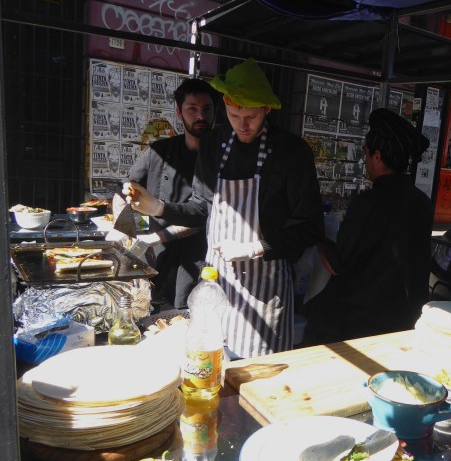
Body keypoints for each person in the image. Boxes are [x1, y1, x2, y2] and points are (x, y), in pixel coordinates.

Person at [124, 59, 324, 358]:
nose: (242, 125)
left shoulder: (291, 152)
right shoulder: (214, 144)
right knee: (212, 360)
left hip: (265, 289)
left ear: (267, 109)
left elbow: (311, 227)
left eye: (251, 116)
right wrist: (158, 207)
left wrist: (255, 248)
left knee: (258, 371)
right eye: (234, 115)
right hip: (215, 284)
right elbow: (201, 209)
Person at [304, 108, 433, 343]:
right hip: (409, 319)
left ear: (377, 156)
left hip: (364, 323)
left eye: (365, 152)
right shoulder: (422, 202)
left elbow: (336, 264)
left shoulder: (368, 203)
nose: (364, 160)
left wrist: (319, 237)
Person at [126, 78, 217, 309]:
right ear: (179, 112)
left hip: (198, 256)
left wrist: (157, 236)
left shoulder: (221, 158)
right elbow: (127, 187)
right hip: (156, 253)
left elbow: (204, 214)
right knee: (147, 310)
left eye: (207, 109)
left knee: (187, 314)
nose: (200, 116)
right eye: (192, 109)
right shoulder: (159, 151)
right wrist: (125, 227)